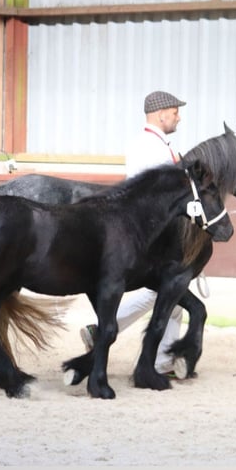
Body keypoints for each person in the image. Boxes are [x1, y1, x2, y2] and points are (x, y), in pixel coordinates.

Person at [80, 90, 188, 379]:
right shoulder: (148, 146)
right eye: (176, 111)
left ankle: (164, 360)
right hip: (150, 232)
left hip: (154, 228)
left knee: (173, 302)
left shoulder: (158, 144)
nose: (179, 116)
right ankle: (102, 329)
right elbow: (155, 192)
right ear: (161, 113)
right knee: (164, 291)